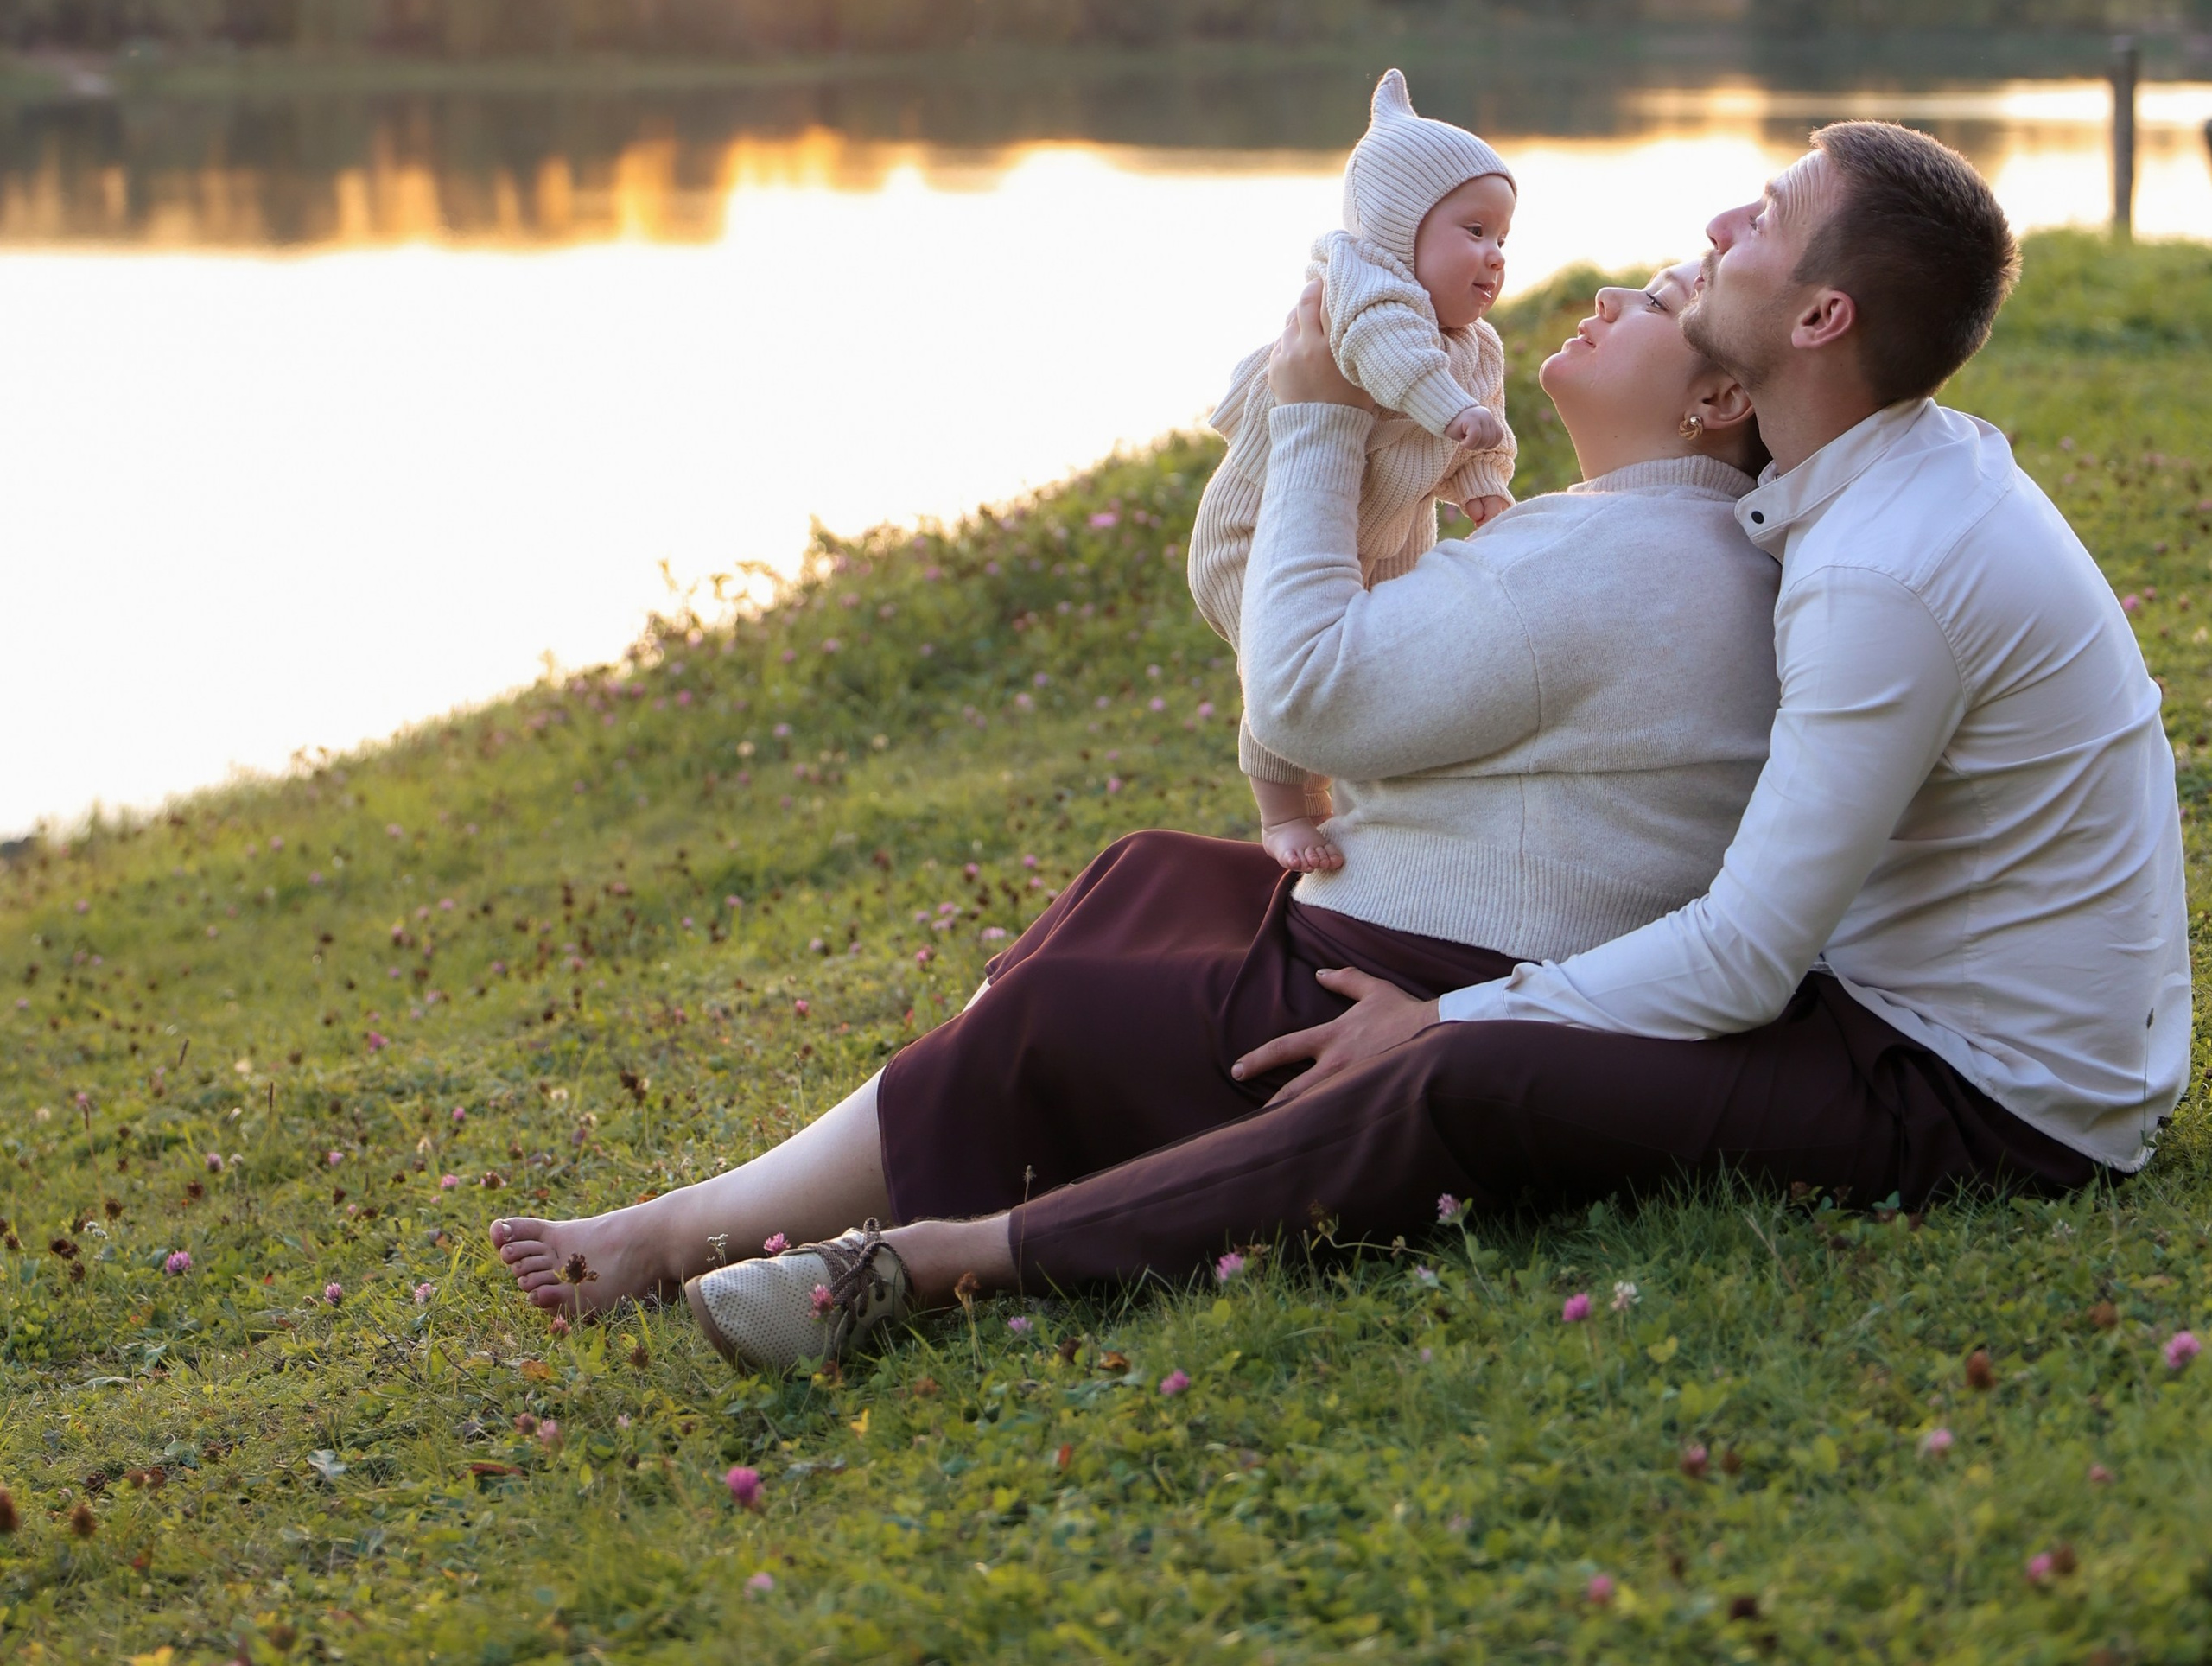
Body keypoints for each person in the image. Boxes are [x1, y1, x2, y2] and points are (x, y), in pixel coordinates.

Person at [495, 122, 2188, 1368]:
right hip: (1890, 1009)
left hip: (1979, 1096)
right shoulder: (1858, 498)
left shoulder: (1878, 564)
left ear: (1814, 326)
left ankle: (946, 1263)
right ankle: (861, 1199)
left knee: (1453, 1078)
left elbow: (1745, 955)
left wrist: (1452, 1010)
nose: (1721, 222)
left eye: (1764, 219)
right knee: (1209, 915)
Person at [490, 248, 1779, 1363]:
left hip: (1419, 981)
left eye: (1663, 299)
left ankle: (681, 1234)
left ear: (1720, 395)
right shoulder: (1645, 534)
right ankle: (852, 1172)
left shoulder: (1614, 558)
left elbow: (1302, 698)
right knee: (1151, 874)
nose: (1611, 292)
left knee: (1064, 1011)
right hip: (1456, 928)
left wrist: (1320, 415)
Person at [1189, 67, 1518, 873]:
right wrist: (1447, 411)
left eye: (1504, 239)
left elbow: (1488, 431)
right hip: (1260, 529)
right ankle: (1279, 814)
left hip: (1383, 529)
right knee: (1287, 661)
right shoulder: (1362, 293)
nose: (1495, 256)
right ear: (1400, 228)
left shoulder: (1476, 347)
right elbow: (1387, 356)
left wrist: (1483, 486)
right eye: (1474, 231)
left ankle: (1350, 791)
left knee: (1376, 661)